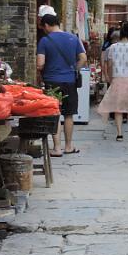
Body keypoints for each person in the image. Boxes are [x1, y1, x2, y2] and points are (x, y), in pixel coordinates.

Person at [37, 13, 86, 156]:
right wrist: (75, 69)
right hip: (70, 81)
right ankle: (69, 146)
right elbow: (83, 58)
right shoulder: (73, 38)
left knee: (55, 113)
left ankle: (57, 148)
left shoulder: (45, 41)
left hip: (52, 82)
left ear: (46, 25)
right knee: (69, 115)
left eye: (43, 27)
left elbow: (40, 63)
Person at [97, 23, 128, 141]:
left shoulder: (113, 47)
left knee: (118, 107)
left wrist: (109, 78)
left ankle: (119, 134)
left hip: (117, 79)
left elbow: (109, 65)